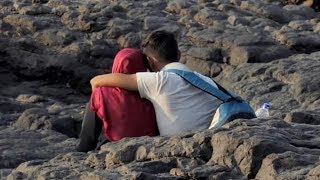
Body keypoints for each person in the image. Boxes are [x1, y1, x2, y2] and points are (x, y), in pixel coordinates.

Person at [90, 30, 222, 136]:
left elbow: (97, 81)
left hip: (183, 145)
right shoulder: (206, 81)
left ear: (151, 61)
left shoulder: (158, 81)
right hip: (214, 137)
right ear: (179, 55)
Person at [77, 48, 159, 152]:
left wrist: (82, 153)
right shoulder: (152, 93)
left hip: (114, 150)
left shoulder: (102, 93)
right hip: (148, 149)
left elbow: (89, 134)